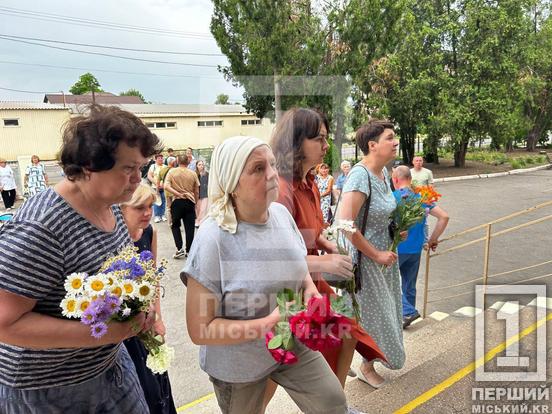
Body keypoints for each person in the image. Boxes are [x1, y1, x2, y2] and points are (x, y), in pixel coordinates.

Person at [0, 104, 160, 413]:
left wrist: (144, 306)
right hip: (48, 390)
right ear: (89, 165)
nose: (137, 179)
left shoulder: (110, 203)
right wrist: (104, 333)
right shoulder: (41, 229)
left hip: (106, 367)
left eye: (141, 168)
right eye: (128, 169)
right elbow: (5, 323)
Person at [182, 136, 348, 414]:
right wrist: (268, 322)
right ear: (232, 183)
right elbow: (200, 330)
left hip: (291, 339)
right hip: (239, 366)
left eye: (272, 164)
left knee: (332, 402)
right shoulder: (213, 239)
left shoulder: (281, 214)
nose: (272, 175)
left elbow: (296, 263)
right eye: (258, 169)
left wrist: (310, 290)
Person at [270, 108, 384, 406]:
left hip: (311, 282)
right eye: (318, 138)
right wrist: (324, 262)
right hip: (287, 291)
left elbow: (312, 230)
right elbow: (274, 259)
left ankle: (335, 403)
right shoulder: (281, 190)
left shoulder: (308, 182)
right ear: (296, 142)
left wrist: (328, 244)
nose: (325, 145)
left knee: (346, 333)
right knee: (269, 372)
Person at [336, 120, 405, 388]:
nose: (395, 141)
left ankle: (357, 364)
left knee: (385, 314)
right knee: (371, 319)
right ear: (372, 145)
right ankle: (364, 365)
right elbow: (344, 223)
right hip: (366, 264)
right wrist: (376, 254)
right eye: (390, 137)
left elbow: (380, 212)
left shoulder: (383, 173)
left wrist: (396, 229)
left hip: (384, 260)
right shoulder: (359, 176)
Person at [121, 184, 177, 414]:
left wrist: (158, 319)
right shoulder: (113, 237)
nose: (147, 213)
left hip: (146, 322)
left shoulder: (150, 232)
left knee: (157, 383)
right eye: (139, 208)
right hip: (124, 325)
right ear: (122, 208)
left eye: (149, 207)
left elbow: (153, 279)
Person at [391, 166, 449, 328]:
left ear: (395, 179)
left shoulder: (393, 197)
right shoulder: (423, 197)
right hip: (416, 249)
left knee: (389, 283)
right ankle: (406, 318)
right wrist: (432, 240)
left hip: (397, 249)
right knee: (409, 285)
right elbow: (444, 217)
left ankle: (407, 312)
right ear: (410, 178)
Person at [164, 154, 199, 259]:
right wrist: (195, 202)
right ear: (188, 162)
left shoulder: (171, 172)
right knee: (189, 228)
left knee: (175, 226)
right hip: (189, 202)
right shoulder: (193, 173)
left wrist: (178, 194)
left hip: (177, 202)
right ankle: (189, 250)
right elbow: (196, 191)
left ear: (177, 161)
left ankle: (179, 249)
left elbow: (166, 186)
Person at [148, 154, 167, 223]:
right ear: (155, 159)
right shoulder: (153, 166)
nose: (161, 159)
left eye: (162, 158)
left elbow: (167, 177)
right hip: (155, 186)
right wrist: (157, 183)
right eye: (159, 158)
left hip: (163, 187)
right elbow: (149, 176)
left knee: (163, 200)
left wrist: (163, 184)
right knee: (156, 201)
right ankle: (157, 215)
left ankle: (162, 214)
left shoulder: (165, 167)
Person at [195, 159, 209, 227]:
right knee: (198, 208)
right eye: (199, 165)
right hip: (197, 194)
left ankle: (200, 221)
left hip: (205, 193)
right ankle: (197, 220)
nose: (201, 166)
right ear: (197, 166)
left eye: (202, 165)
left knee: (203, 209)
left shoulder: (207, 174)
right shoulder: (194, 174)